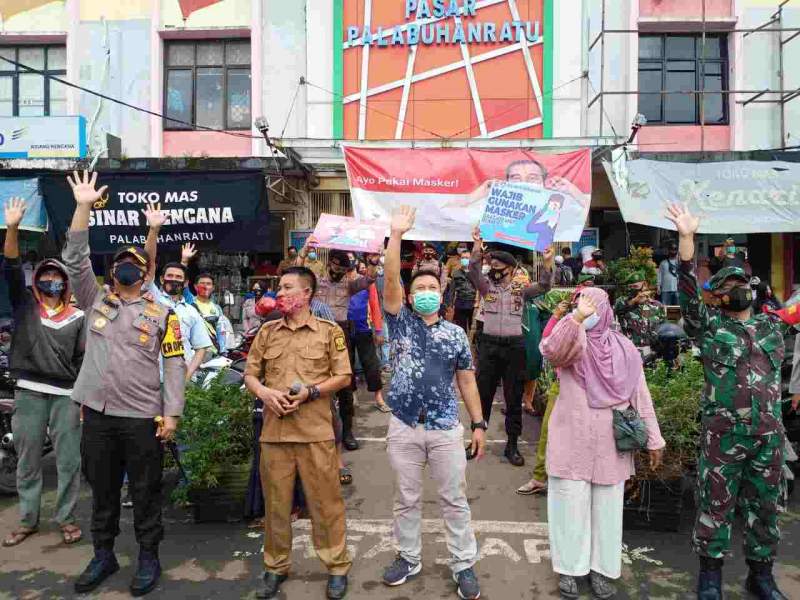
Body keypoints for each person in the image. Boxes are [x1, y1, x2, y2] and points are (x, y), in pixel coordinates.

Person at [63, 171, 186, 596]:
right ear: (112, 271)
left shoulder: (162, 315)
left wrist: (172, 414)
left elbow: (173, 366)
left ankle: (148, 558)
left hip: (141, 419)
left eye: (134, 262)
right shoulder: (94, 298)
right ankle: (103, 554)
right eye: (119, 263)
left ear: (145, 270)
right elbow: (75, 258)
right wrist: (83, 206)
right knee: (102, 492)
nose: (126, 267)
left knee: (147, 493)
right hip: (97, 415)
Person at [666, 202, 794, 600]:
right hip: (723, 438)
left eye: (742, 282)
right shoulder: (710, 326)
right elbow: (687, 287)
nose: (738, 289)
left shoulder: (773, 324)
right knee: (714, 507)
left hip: (767, 437)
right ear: (719, 296)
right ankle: (710, 578)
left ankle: (762, 576)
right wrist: (687, 239)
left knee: (766, 510)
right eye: (729, 285)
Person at [380, 206, 486, 600]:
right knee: (405, 499)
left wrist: (478, 424)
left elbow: (467, 380)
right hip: (405, 425)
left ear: (441, 295)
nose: (425, 294)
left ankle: (463, 563)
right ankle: (408, 557)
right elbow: (390, 278)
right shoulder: (399, 321)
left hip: (444, 428)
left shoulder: (456, 335)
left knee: (454, 499)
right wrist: (395, 235)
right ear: (409, 296)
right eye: (418, 289)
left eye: (431, 289)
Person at [540, 286, 665, 599]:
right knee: (568, 507)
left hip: (612, 443)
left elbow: (641, 396)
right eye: (584, 306)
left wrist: (654, 439)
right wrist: (575, 318)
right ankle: (569, 570)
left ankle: (602, 569)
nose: (589, 312)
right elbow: (550, 350)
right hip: (572, 440)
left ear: (606, 311)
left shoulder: (625, 349)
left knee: (608, 510)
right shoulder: (573, 340)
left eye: (594, 307)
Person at [244, 266, 353, 600]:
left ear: (307, 294)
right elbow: (251, 375)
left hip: (315, 432)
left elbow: (344, 376)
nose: (280, 292)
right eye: (279, 286)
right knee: (276, 506)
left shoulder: (328, 331)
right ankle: (276, 566)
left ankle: (336, 566)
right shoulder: (268, 331)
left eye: (287, 287)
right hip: (275, 434)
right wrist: (265, 394)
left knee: (326, 504)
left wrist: (312, 392)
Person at [1, 197, 85, 549]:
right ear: (37, 280)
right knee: (28, 459)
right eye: (46, 276)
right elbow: (10, 264)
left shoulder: (78, 318)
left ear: (65, 283)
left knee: (68, 461)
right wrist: (13, 227)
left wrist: (82, 399)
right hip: (29, 392)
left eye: (57, 277)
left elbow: (83, 362)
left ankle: (66, 518)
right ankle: (27, 520)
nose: (51, 280)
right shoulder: (25, 307)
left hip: (66, 396)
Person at [468, 228, 554, 467]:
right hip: (489, 346)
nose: (494, 271)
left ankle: (512, 445)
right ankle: (477, 438)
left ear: (511, 270)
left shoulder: (521, 291)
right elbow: (474, 271)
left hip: (514, 348)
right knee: (482, 395)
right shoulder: (486, 288)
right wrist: (477, 246)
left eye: (499, 269)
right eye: (492, 268)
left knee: (513, 397)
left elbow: (545, 286)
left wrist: (547, 262)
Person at [298, 239, 377, 450]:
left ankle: (348, 432)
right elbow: (297, 273)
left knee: (344, 382)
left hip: (340, 333)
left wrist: (373, 261)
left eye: (343, 268)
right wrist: (305, 251)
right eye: (336, 266)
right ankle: (315, 432)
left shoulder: (349, 284)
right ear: (329, 264)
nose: (338, 271)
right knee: (314, 379)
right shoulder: (315, 282)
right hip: (315, 333)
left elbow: (370, 279)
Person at [613, 272, 666, 350]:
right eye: (630, 286)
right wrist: (634, 301)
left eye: (635, 286)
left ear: (644, 285)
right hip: (631, 349)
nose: (632, 289)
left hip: (653, 350)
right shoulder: (622, 302)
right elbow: (618, 309)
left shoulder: (656, 305)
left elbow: (664, 327)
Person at [445, 247, 477, 333]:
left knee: (473, 328)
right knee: (461, 328)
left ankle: (473, 345)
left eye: (467, 258)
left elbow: (480, 289)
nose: (464, 260)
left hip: (473, 303)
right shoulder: (456, 273)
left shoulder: (476, 273)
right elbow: (451, 290)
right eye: (463, 258)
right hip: (460, 302)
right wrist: (450, 305)